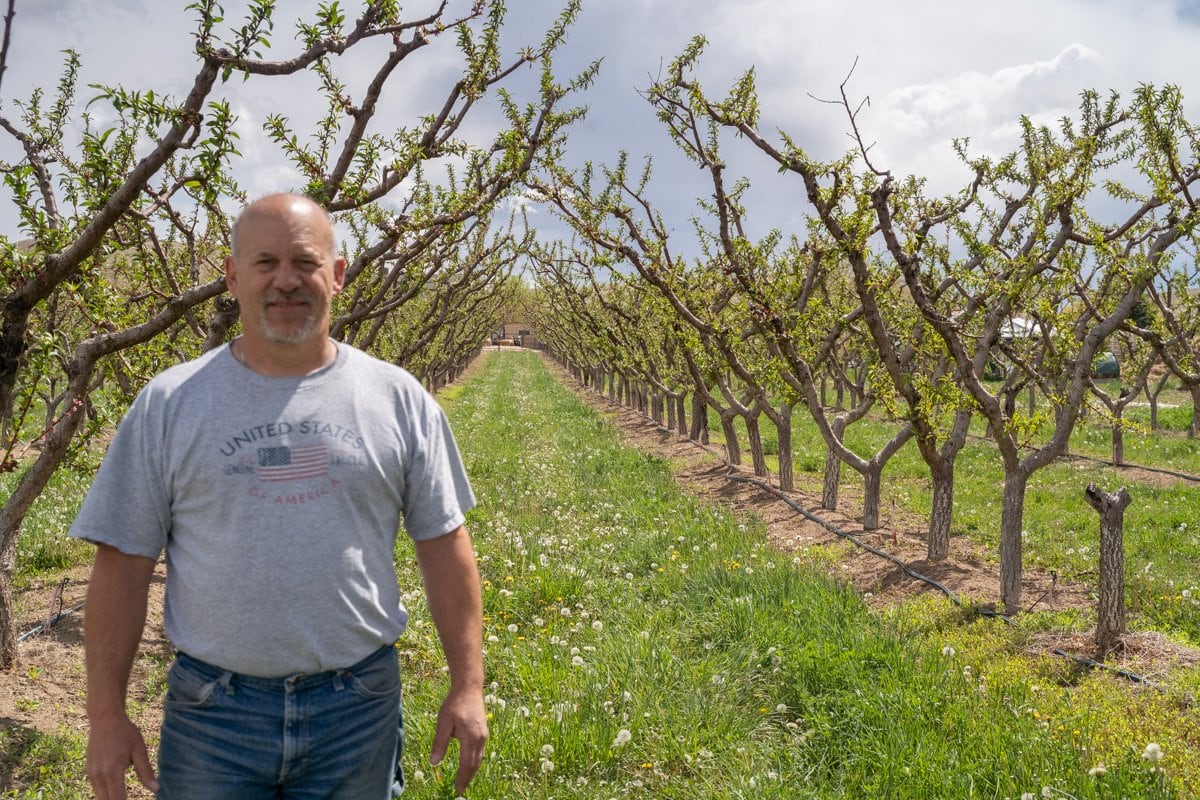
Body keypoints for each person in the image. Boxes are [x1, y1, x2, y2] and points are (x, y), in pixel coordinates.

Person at [71, 193, 487, 799]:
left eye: (305, 262)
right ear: (234, 278)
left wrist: (468, 684)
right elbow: (123, 565)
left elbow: (445, 544)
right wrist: (105, 716)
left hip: (357, 710)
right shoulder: (170, 404)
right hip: (214, 713)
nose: (285, 281)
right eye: (265, 263)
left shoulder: (397, 399)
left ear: (337, 276)